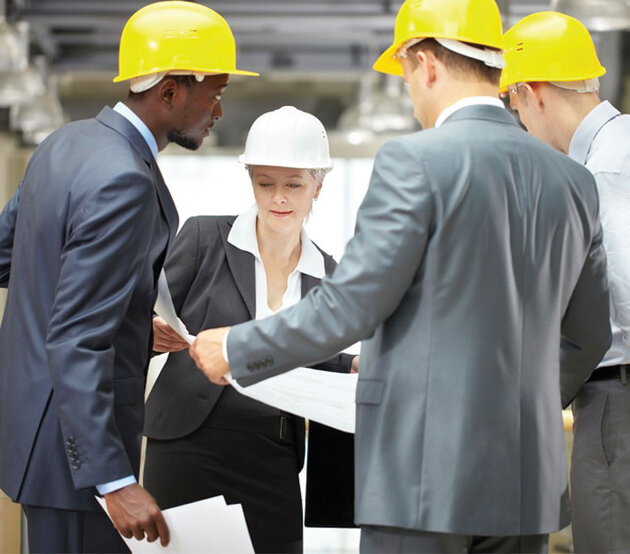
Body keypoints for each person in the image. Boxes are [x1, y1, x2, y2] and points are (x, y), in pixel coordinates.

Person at [189, 0, 612, 552]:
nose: (411, 96)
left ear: (425, 63)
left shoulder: (413, 162)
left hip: (423, 477)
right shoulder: (573, 182)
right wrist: (520, 403)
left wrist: (238, 347)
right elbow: (589, 334)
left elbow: (349, 306)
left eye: (408, 74)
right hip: (525, 481)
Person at [0, 1, 257, 552]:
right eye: (215, 93)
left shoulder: (64, 144)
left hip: (38, 439)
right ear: (170, 92)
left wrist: (135, 323)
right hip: (76, 462)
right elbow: (74, 335)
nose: (217, 111)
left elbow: (12, 258)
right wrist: (113, 481)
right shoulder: (124, 179)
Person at [142, 106, 356, 554]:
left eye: (294, 185)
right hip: (190, 441)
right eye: (265, 183)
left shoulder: (328, 274)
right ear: (251, 181)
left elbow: (305, 355)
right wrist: (149, 330)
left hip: (272, 451)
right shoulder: (204, 239)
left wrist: (351, 363)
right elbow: (140, 319)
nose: (279, 198)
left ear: (319, 185)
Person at [500, 12, 630, 553]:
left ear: (534, 94)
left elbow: (609, 307)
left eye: (515, 109)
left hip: (615, 402)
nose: (523, 126)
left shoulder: (601, 174)